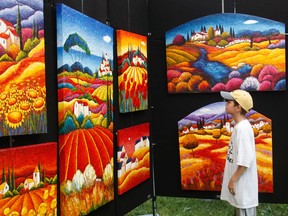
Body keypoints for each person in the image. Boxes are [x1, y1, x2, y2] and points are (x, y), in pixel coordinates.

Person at [220, 89, 258, 216]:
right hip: (240, 189)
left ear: (238, 107)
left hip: (243, 191)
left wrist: (233, 180)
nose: (226, 103)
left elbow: (246, 160)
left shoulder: (243, 129)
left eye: (229, 102)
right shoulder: (239, 127)